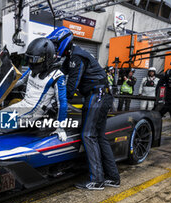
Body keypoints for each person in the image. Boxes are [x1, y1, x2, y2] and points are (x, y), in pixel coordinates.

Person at [48, 26, 120, 190]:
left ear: (63, 42)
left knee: (88, 135)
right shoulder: (72, 56)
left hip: (98, 95)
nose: (53, 46)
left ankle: (96, 180)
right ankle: (113, 177)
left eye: (55, 43)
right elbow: (57, 74)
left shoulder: (77, 57)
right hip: (100, 95)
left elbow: (71, 87)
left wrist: (54, 102)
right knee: (99, 137)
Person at [0, 37, 67, 141]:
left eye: (35, 60)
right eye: (29, 59)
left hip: (34, 112)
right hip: (23, 105)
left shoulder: (57, 76)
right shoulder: (32, 70)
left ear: (46, 58)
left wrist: (60, 127)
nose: (31, 63)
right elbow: (20, 81)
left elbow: (62, 103)